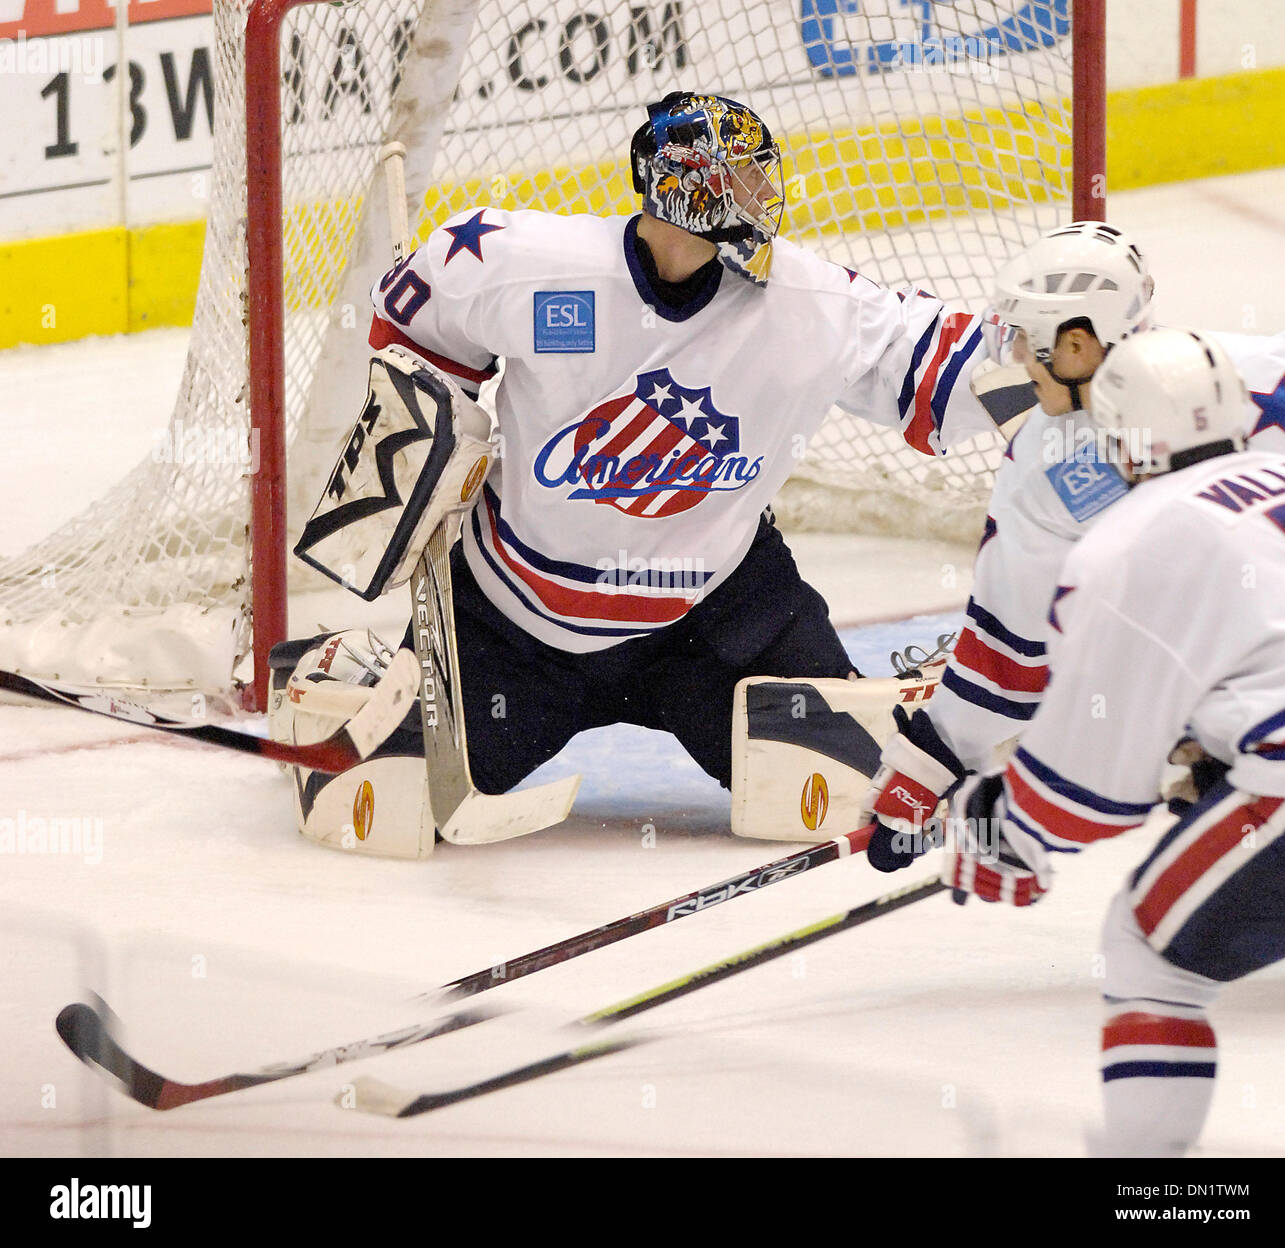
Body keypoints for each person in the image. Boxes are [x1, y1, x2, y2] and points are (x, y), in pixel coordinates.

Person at [282, 89, 1016, 852]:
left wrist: (1062, 353)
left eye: (763, 178)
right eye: (743, 180)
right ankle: (337, 667)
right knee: (372, 804)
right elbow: (410, 319)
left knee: (855, 797)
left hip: (718, 625)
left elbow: (941, 363)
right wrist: (439, 414)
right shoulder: (529, 268)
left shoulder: (808, 302)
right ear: (685, 188)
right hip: (516, 628)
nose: (765, 198)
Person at [942, 327, 1285, 1156]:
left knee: (1147, 960)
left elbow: (1085, 797)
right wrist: (1221, 759)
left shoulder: (1133, 540)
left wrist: (1005, 830)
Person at [863, 221, 1285, 870]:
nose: (1013, 360)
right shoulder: (1047, 462)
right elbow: (1012, 643)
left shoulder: (1264, 381)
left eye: (1026, 342)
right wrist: (932, 759)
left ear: (1075, 344)